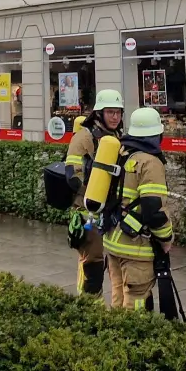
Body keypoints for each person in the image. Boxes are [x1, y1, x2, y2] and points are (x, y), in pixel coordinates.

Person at [102, 107, 175, 310]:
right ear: (157, 134)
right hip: (136, 248)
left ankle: (113, 330)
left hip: (113, 241)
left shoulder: (121, 154)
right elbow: (154, 210)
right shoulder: (150, 162)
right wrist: (166, 239)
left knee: (118, 297)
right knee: (136, 303)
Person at [63, 89, 125, 297]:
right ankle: (87, 306)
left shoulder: (117, 136)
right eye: (110, 112)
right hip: (87, 210)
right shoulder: (84, 137)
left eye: (118, 112)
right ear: (99, 113)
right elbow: (72, 176)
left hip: (111, 209)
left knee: (110, 262)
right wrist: (94, 191)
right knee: (92, 262)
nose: (115, 117)